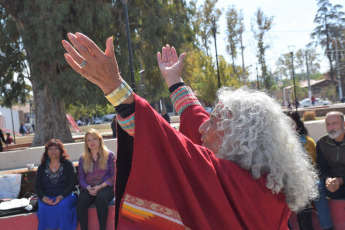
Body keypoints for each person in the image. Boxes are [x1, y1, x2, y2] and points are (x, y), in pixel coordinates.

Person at [63, 33, 318, 229]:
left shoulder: (225, 177)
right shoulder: (270, 187)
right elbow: (196, 121)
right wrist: (175, 83)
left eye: (214, 121)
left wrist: (114, 87)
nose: (203, 126)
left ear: (237, 136)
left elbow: (166, 145)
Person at [35, 139, 78, 230]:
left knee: (62, 206)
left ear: (61, 150)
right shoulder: (42, 166)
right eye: (50, 149)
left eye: (56, 148)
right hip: (47, 197)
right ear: (46, 152)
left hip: (65, 196)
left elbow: (72, 183)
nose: (53, 151)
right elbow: (37, 186)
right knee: (43, 208)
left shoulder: (67, 164)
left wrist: (61, 196)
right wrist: (43, 198)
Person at [77, 129, 115, 230]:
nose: (92, 142)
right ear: (86, 143)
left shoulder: (109, 155)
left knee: (101, 198)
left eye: (94, 139)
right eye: (88, 140)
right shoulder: (83, 158)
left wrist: (100, 187)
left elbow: (114, 176)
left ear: (99, 140)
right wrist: (88, 187)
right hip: (89, 188)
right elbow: (81, 178)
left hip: (105, 187)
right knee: (81, 200)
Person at [314, 111, 345, 230]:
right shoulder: (322, 143)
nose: (331, 128)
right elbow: (321, 168)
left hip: (342, 183)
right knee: (317, 186)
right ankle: (327, 227)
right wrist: (327, 180)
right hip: (332, 187)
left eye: (334, 123)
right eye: (328, 124)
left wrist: (341, 180)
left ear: (344, 124)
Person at [287, 112, 316, 230]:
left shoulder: (307, 142)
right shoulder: (277, 144)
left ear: (297, 125)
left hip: (304, 182)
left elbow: (313, 166)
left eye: (290, 123)